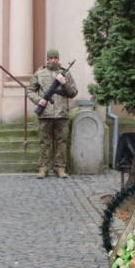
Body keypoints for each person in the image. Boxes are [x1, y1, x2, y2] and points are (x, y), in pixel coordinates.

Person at [27, 48, 77, 179]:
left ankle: (60, 168)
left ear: (58, 59)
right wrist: (39, 100)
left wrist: (64, 83)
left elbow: (73, 92)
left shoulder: (65, 74)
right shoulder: (40, 73)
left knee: (61, 142)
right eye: (51, 58)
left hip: (61, 114)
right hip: (45, 114)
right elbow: (30, 90)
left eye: (55, 58)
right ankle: (43, 168)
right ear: (47, 59)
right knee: (44, 142)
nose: (53, 60)